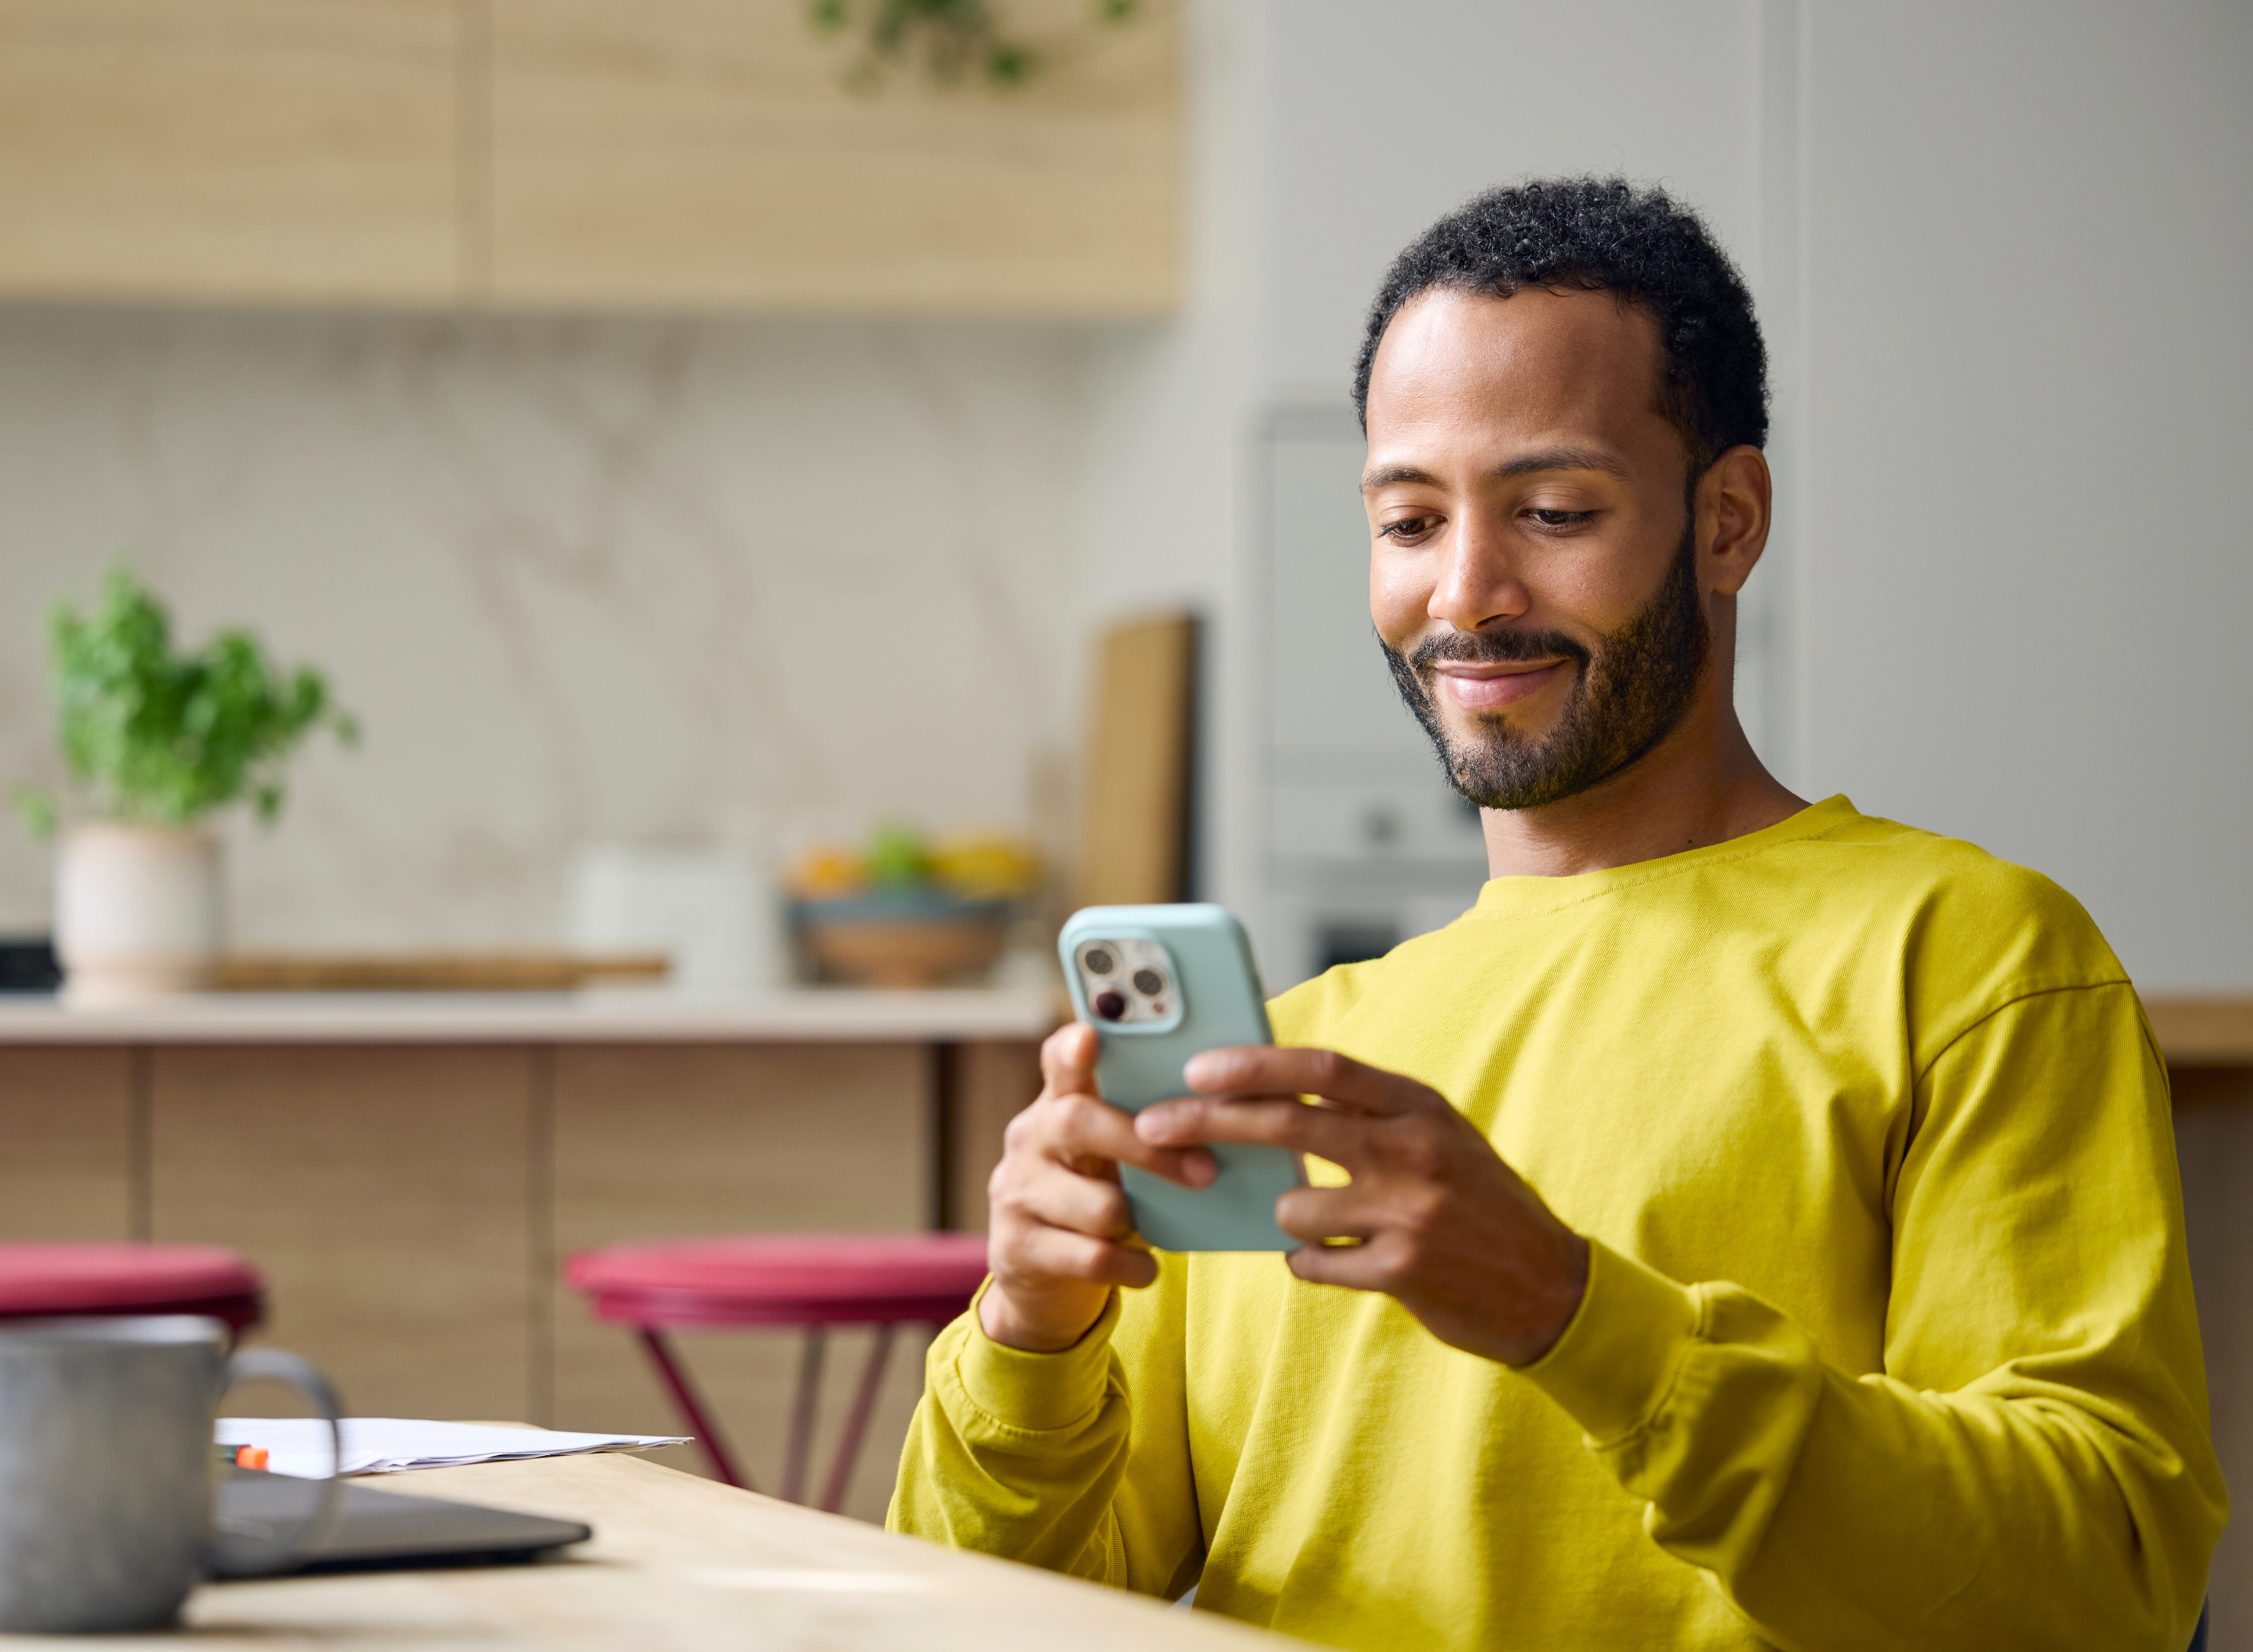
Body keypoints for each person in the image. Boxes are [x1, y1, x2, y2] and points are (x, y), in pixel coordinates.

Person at [886, 177, 2224, 1649]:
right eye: (1407, 519)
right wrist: (1029, 1331)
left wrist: (1574, 1314)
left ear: (1726, 520)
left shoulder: (1967, 954)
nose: (1466, 592)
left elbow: (2098, 1588)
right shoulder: (1301, 1050)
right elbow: (982, 1611)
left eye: (1553, 510)